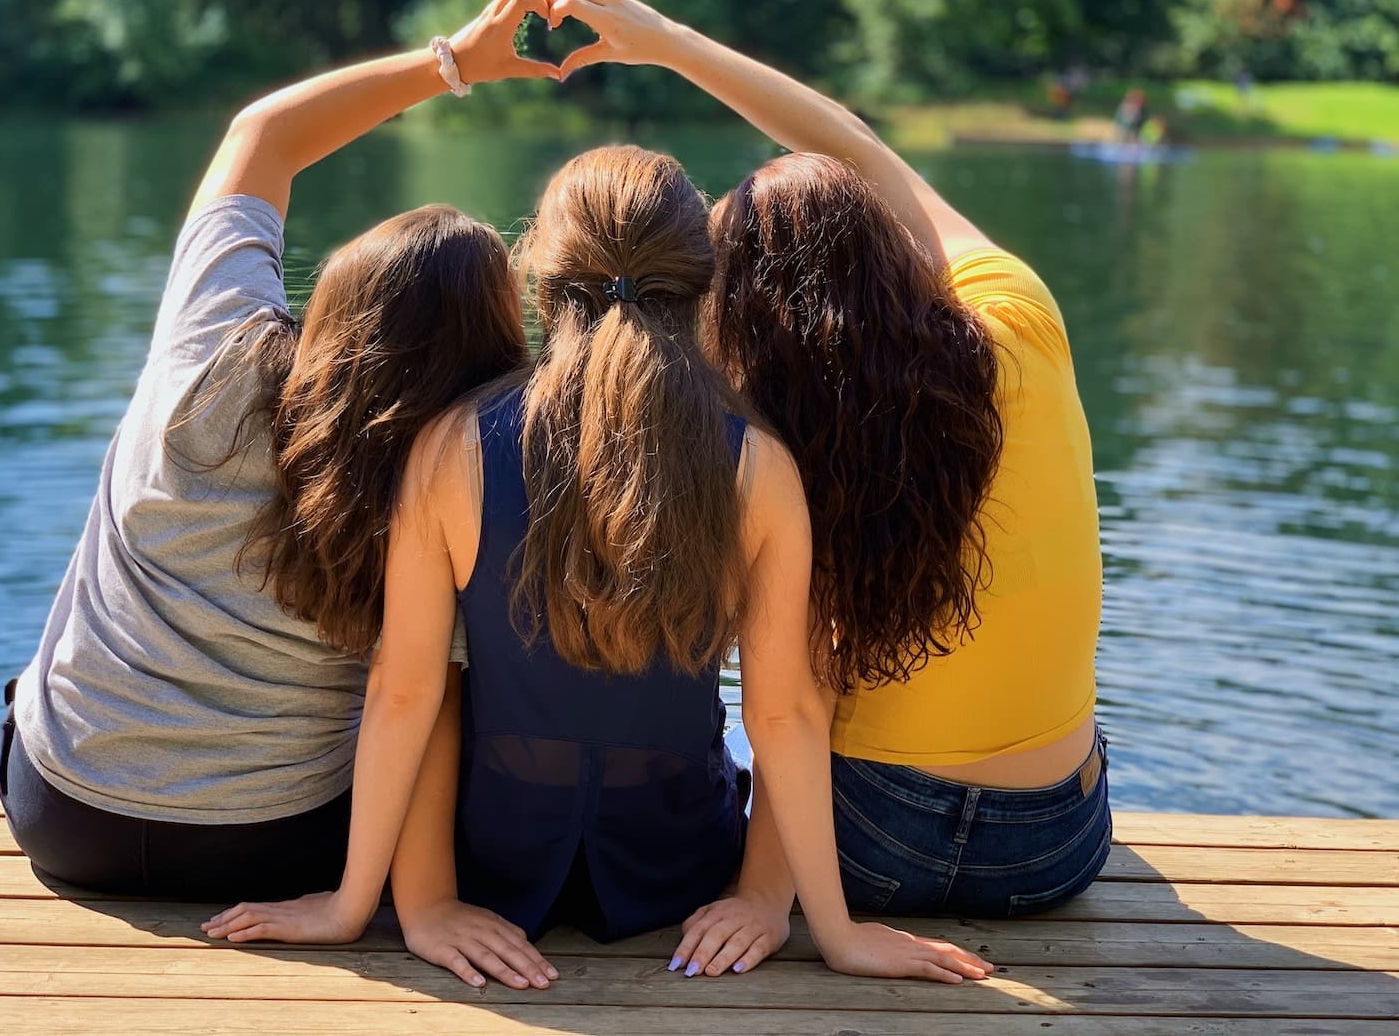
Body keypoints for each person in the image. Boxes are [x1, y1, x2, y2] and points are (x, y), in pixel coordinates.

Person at [204, 139, 993, 990]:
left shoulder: (450, 447)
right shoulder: (760, 464)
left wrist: (364, 904)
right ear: (703, 284)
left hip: (490, 868)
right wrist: (810, 920)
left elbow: (405, 689)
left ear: (541, 280)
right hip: (677, 871)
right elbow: (785, 716)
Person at [543, 0, 1108, 971]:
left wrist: (768, 892)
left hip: (862, 852)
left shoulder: (779, 448)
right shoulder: (1020, 315)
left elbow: (789, 701)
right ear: (892, 257)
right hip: (1053, 851)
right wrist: (672, 42)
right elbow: (854, 144)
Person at [0, 0, 557, 906]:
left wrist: (451, 61)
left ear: (336, 297)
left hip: (66, 817)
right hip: (278, 848)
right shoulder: (458, 471)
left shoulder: (207, 351)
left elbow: (262, 135)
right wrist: (418, 904)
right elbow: (423, 703)